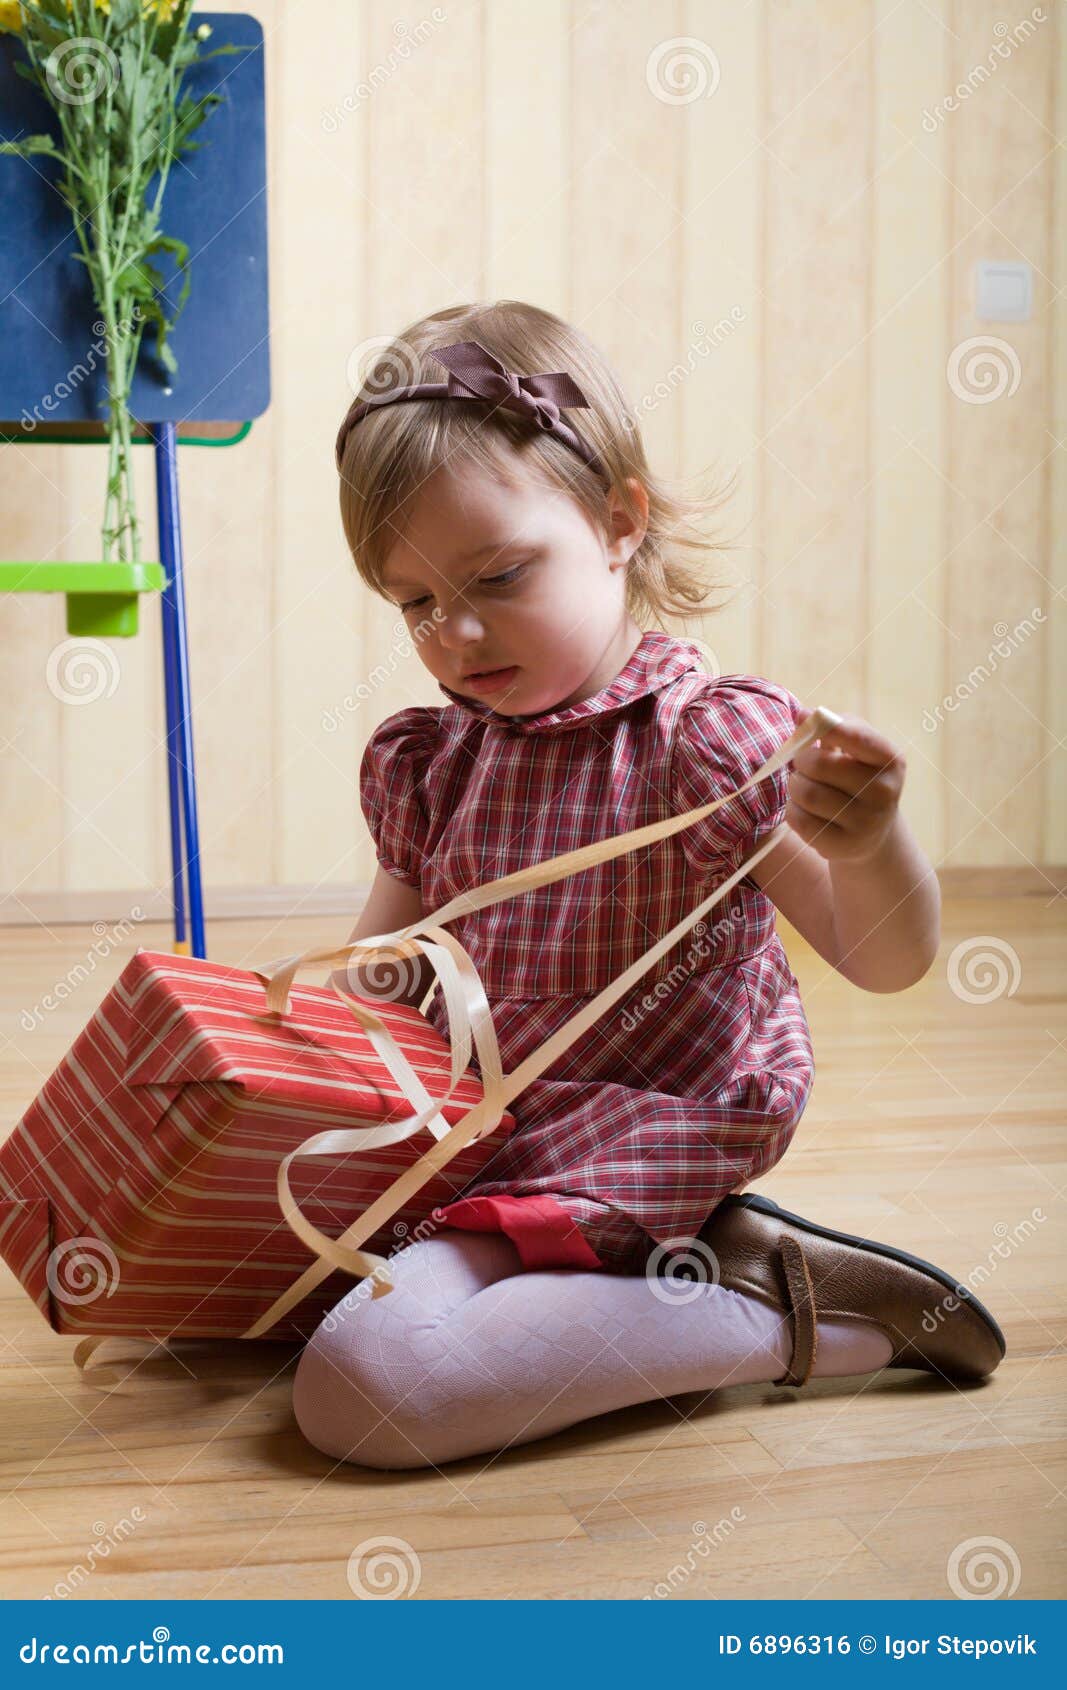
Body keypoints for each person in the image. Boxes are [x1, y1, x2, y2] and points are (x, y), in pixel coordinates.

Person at [291, 301, 1004, 1471]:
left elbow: (882, 958)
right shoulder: (434, 758)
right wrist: (266, 1067)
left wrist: (871, 842)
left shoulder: (699, 750)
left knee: (366, 1390)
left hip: (632, 1140)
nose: (456, 634)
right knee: (257, 1295)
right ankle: (682, 1272)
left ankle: (795, 1316)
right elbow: (380, 973)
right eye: (414, 603)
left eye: (498, 576)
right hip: (481, 1140)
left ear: (617, 521)